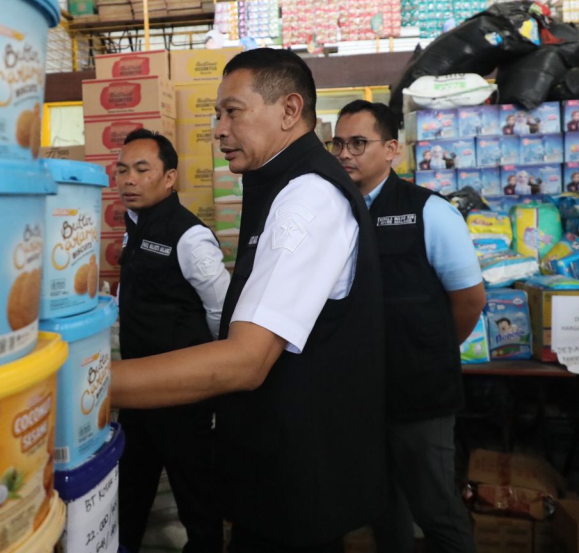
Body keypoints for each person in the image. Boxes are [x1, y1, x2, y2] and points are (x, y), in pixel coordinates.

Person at [112, 48, 386, 552]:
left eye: (232, 112)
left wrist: (89, 385)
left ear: (288, 110)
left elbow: (247, 360)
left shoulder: (307, 197)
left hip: (299, 478)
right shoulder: (277, 186)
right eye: (217, 115)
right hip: (274, 465)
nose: (218, 129)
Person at [332, 100, 485, 553]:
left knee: (436, 509)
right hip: (361, 394)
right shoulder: (334, 213)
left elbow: (470, 300)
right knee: (380, 505)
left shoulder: (429, 211)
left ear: (392, 150)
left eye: (358, 143)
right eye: (338, 143)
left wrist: (427, 351)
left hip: (419, 395)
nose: (345, 154)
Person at [114, 129, 230, 553]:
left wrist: (212, 371)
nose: (129, 179)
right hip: (138, 388)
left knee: (195, 491)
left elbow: (221, 309)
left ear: (169, 178)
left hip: (183, 392)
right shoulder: (134, 227)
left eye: (142, 170)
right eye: (123, 170)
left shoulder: (190, 237)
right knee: (131, 483)